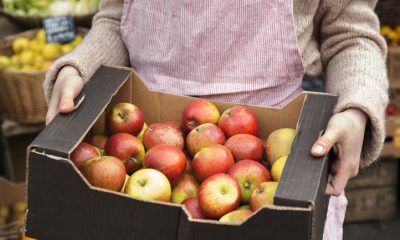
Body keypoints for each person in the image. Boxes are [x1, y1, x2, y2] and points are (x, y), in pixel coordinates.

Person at [43, 1, 388, 239]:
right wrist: (80, 66)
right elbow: (118, 17)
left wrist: (357, 107)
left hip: (273, 154)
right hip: (145, 144)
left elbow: (350, 33)